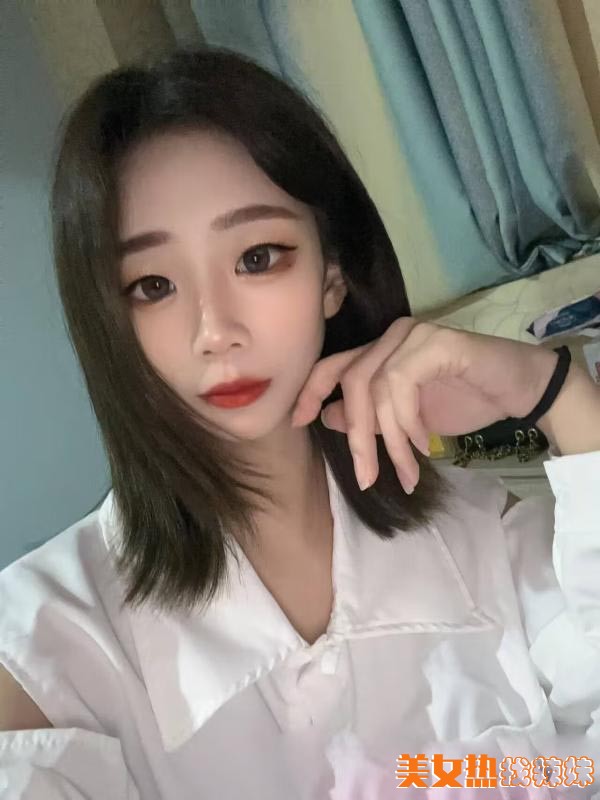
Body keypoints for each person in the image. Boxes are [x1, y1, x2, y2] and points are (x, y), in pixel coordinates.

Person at [1, 47, 599, 800]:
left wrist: (556, 391)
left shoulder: (480, 532)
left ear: (332, 276)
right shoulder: (41, 650)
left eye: (258, 257)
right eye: (152, 285)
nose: (214, 331)